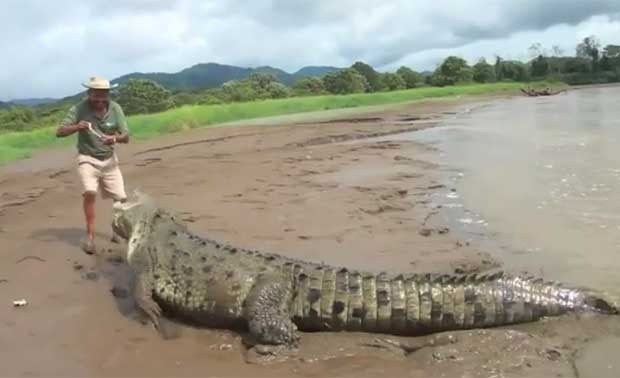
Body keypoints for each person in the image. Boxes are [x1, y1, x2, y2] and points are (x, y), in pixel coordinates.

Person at [56, 76, 130, 254]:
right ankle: (90, 236)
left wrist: (114, 138)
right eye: (95, 95)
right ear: (89, 93)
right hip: (87, 158)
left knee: (121, 199)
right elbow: (59, 131)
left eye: (103, 95)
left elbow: (126, 136)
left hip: (110, 160)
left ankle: (116, 230)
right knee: (90, 192)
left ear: (108, 94)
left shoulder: (115, 108)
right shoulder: (79, 108)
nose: (99, 100)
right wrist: (76, 127)